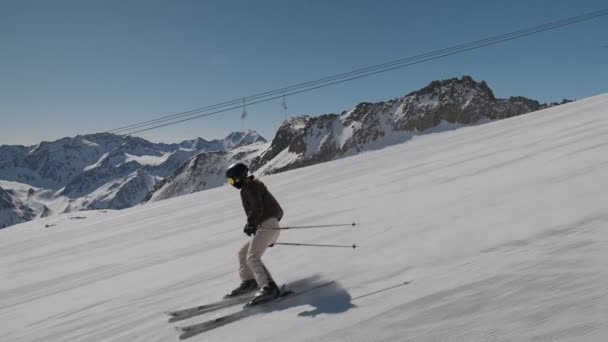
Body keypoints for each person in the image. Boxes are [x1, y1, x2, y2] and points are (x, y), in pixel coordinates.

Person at [224, 162, 284, 305]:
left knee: (252, 257)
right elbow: (275, 210)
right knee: (243, 253)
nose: (231, 184)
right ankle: (250, 281)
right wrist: (254, 224)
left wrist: (252, 222)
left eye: (232, 180)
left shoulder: (250, 187)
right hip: (267, 226)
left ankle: (269, 287)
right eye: (229, 181)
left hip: (268, 226)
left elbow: (257, 207)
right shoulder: (249, 187)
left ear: (239, 177)